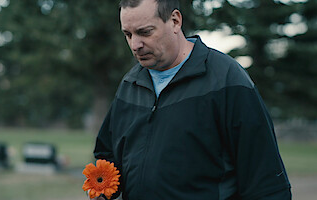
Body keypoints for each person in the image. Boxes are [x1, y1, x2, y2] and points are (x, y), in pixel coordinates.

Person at [91, 0, 291, 199]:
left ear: (175, 21)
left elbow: (266, 183)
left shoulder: (227, 80)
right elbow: (108, 156)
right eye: (128, 34)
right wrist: (102, 188)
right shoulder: (130, 84)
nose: (135, 45)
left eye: (145, 32)